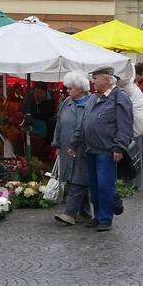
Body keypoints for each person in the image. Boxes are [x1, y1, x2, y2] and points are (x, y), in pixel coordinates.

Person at [69, 67, 132, 233]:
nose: (93, 81)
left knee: (105, 185)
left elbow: (124, 125)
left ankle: (105, 218)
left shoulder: (119, 97)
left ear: (107, 79)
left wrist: (119, 146)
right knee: (94, 186)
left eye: (96, 78)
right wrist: (74, 143)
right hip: (90, 149)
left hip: (107, 150)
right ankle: (97, 216)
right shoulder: (94, 98)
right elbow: (83, 123)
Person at [50, 72, 93, 226]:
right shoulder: (67, 102)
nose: (67, 91)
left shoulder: (90, 103)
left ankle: (69, 214)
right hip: (66, 148)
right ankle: (86, 213)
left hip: (82, 148)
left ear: (81, 89)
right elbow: (59, 124)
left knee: (79, 180)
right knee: (71, 179)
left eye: (70, 88)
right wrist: (57, 144)